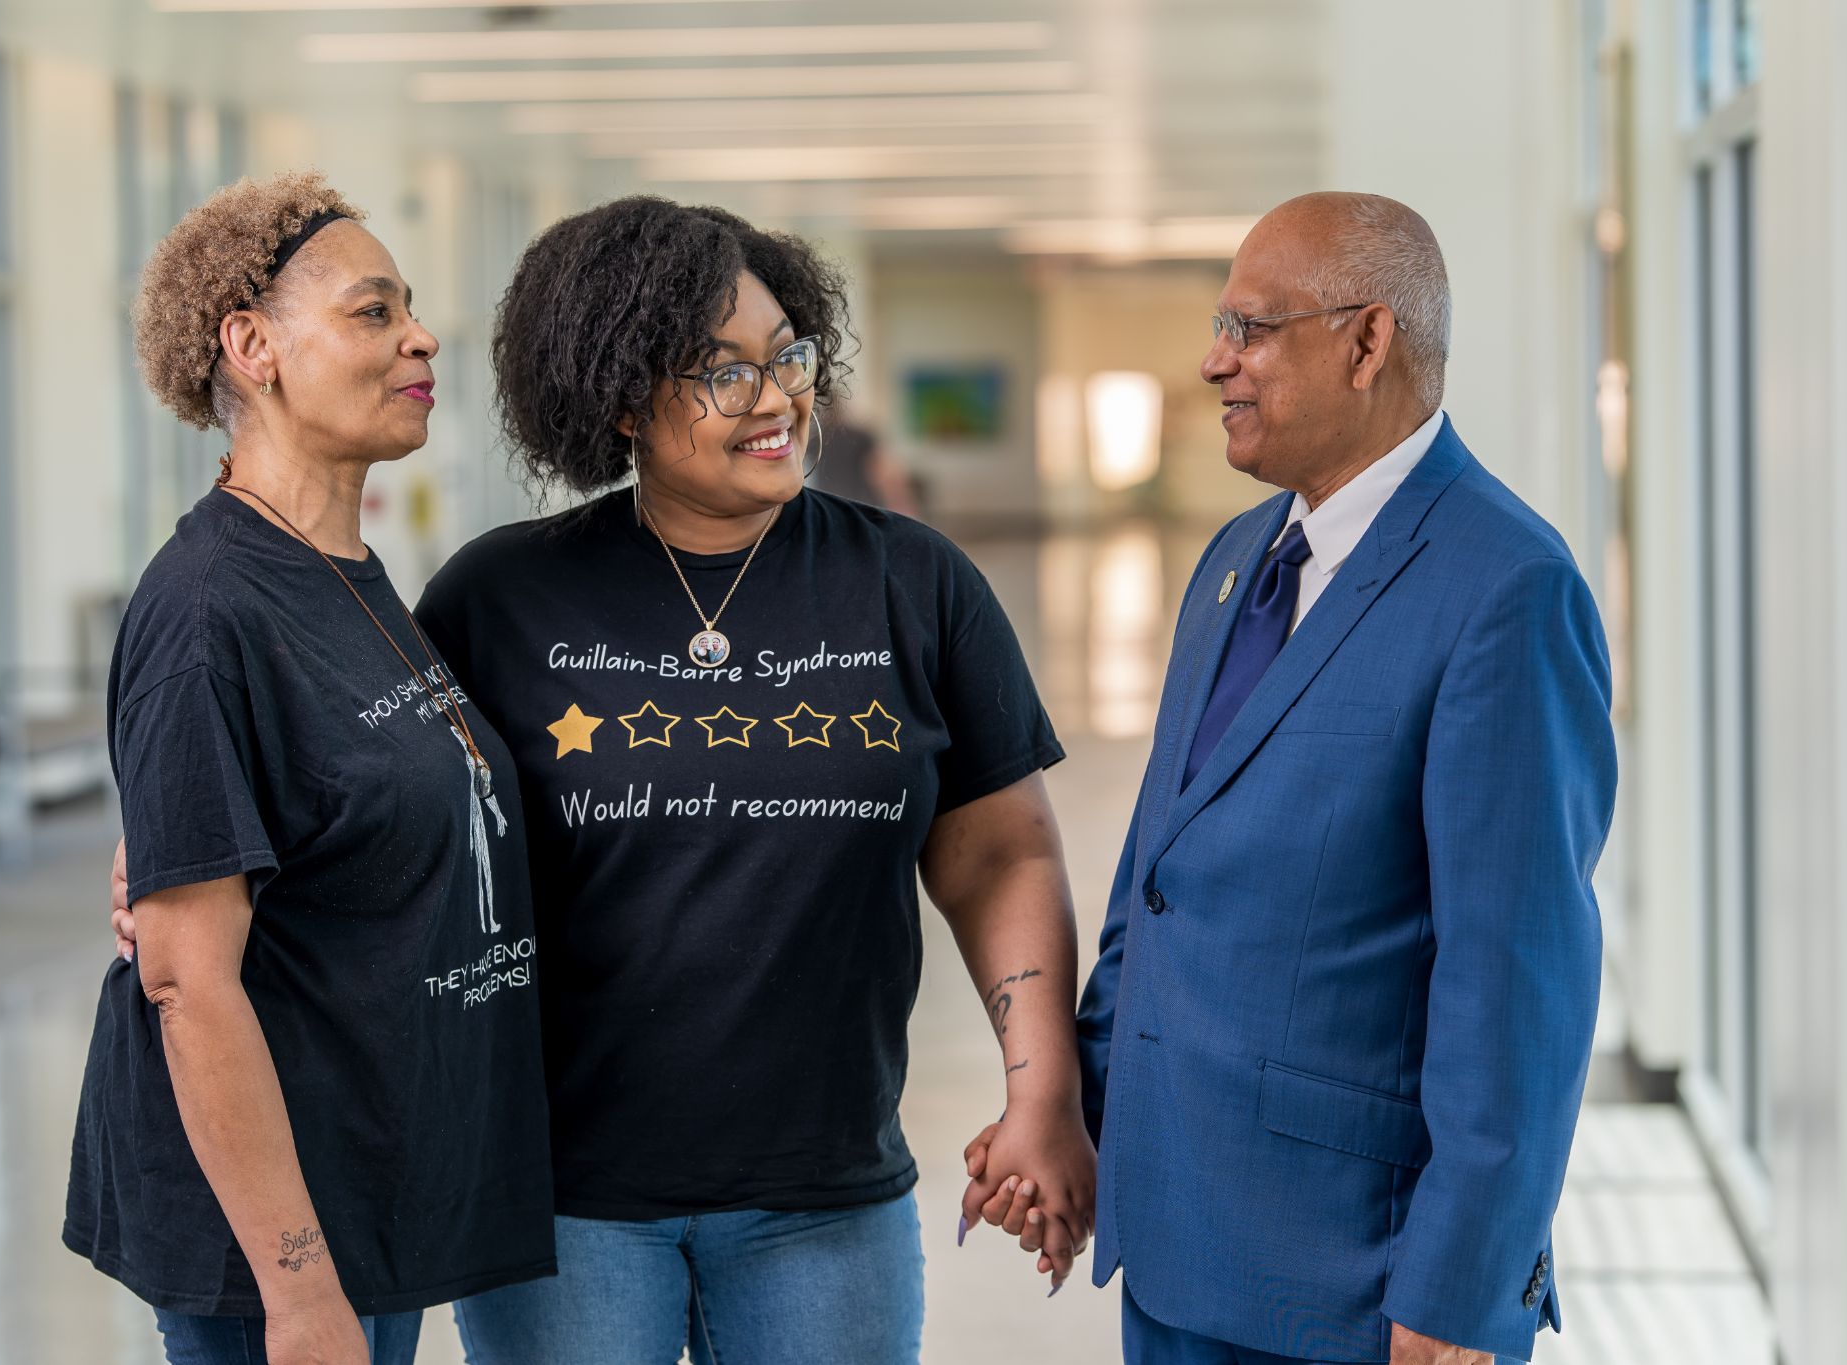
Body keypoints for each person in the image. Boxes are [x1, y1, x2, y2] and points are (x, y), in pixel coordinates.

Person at [117, 194, 1095, 1363]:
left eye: (788, 355)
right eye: (720, 370)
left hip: (824, 1194)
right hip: (559, 1204)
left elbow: (1001, 851)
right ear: (621, 396)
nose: (775, 396)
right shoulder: (492, 597)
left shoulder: (911, 583)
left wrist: (1041, 1088)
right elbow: (381, 802)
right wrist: (179, 870)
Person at [973, 192, 1616, 1364]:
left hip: (1354, 1284)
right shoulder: (1235, 561)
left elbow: (1516, 979)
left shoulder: (1503, 588)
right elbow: (1153, 890)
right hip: (1174, 1244)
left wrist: (1462, 1287)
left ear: (1367, 342)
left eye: (1251, 329)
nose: (1214, 362)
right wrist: (1075, 1120)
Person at [65, 173, 555, 1365]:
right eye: (372, 312)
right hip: (276, 1250)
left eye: (410, 309)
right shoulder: (206, 611)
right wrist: (296, 1291)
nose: (421, 337)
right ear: (253, 346)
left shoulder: (344, 574)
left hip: (373, 1175)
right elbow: (189, 983)